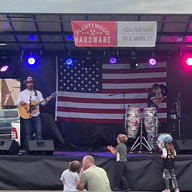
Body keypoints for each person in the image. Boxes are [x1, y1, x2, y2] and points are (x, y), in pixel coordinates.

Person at [16, 76, 51, 150]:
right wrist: (20, 102)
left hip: (36, 114)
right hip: (26, 114)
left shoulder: (37, 93)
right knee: (28, 132)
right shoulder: (22, 93)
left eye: (31, 82)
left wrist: (47, 100)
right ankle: (26, 149)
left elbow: (42, 103)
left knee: (38, 132)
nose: (30, 84)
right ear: (26, 84)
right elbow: (17, 102)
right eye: (29, 83)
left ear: (33, 84)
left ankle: (39, 148)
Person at [147, 83, 166, 151]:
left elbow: (157, 103)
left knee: (155, 129)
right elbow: (156, 103)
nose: (159, 91)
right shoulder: (151, 94)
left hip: (154, 113)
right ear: (154, 89)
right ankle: (150, 144)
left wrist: (161, 99)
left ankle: (153, 144)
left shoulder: (154, 95)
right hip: (150, 114)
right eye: (157, 89)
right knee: (151, 129)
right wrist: (158, 95)